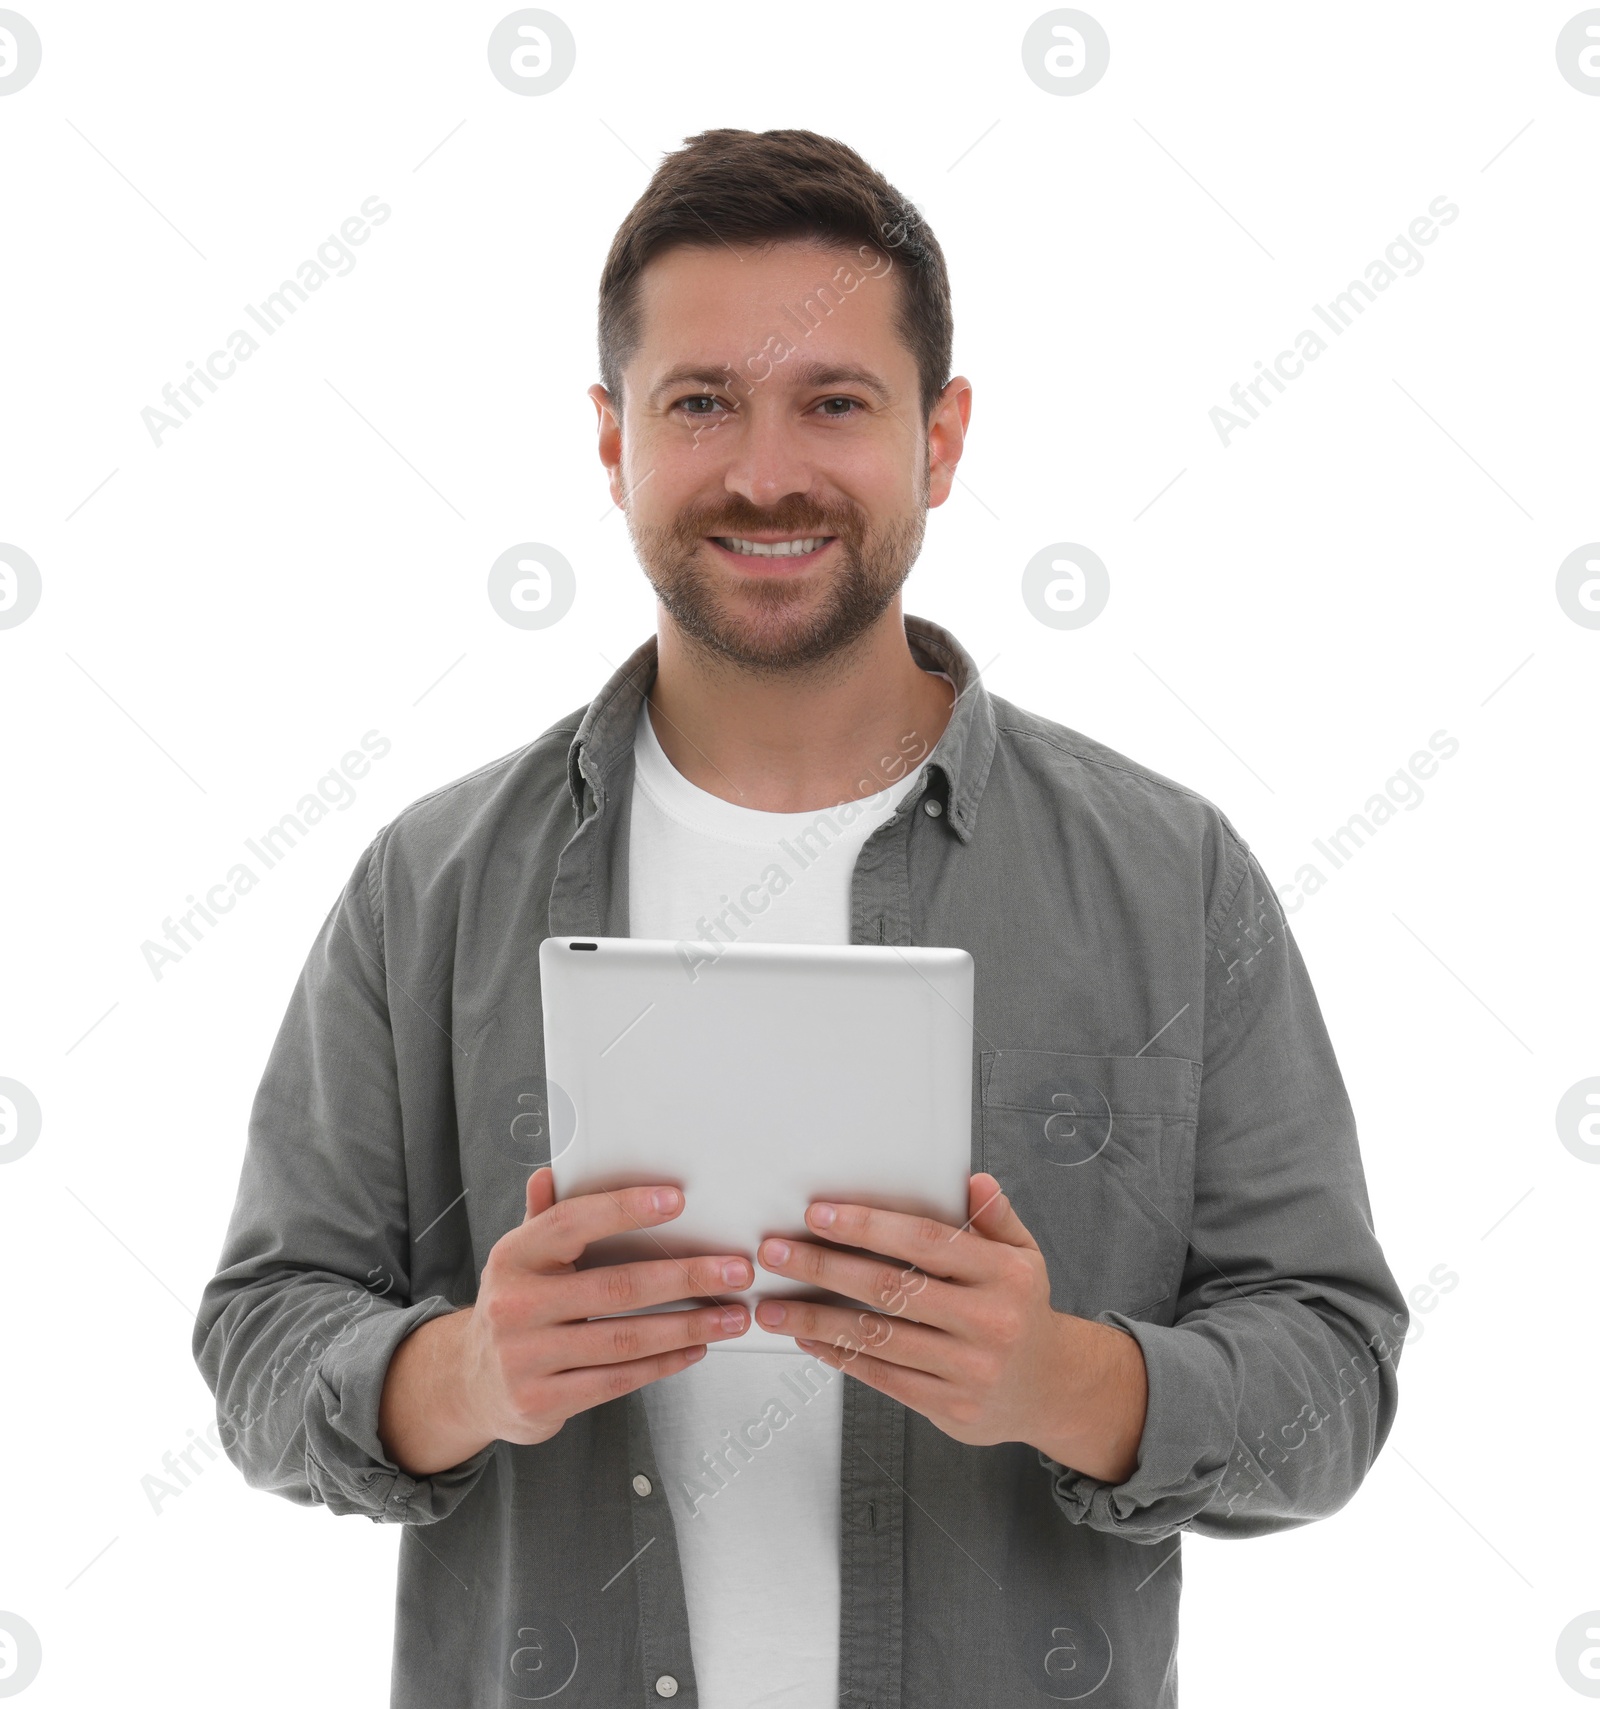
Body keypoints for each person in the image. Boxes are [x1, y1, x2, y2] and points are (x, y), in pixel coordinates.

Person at [195, 128, 1407, 1708]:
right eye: (701, 402)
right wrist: (462, 1375)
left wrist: (1069, 1379)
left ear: (942, 438)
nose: (766, 471)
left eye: (835, 401)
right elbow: (261, 1340)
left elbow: (1335, 1373)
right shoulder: (425, 884)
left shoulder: (1171, 876)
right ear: (615, 441)